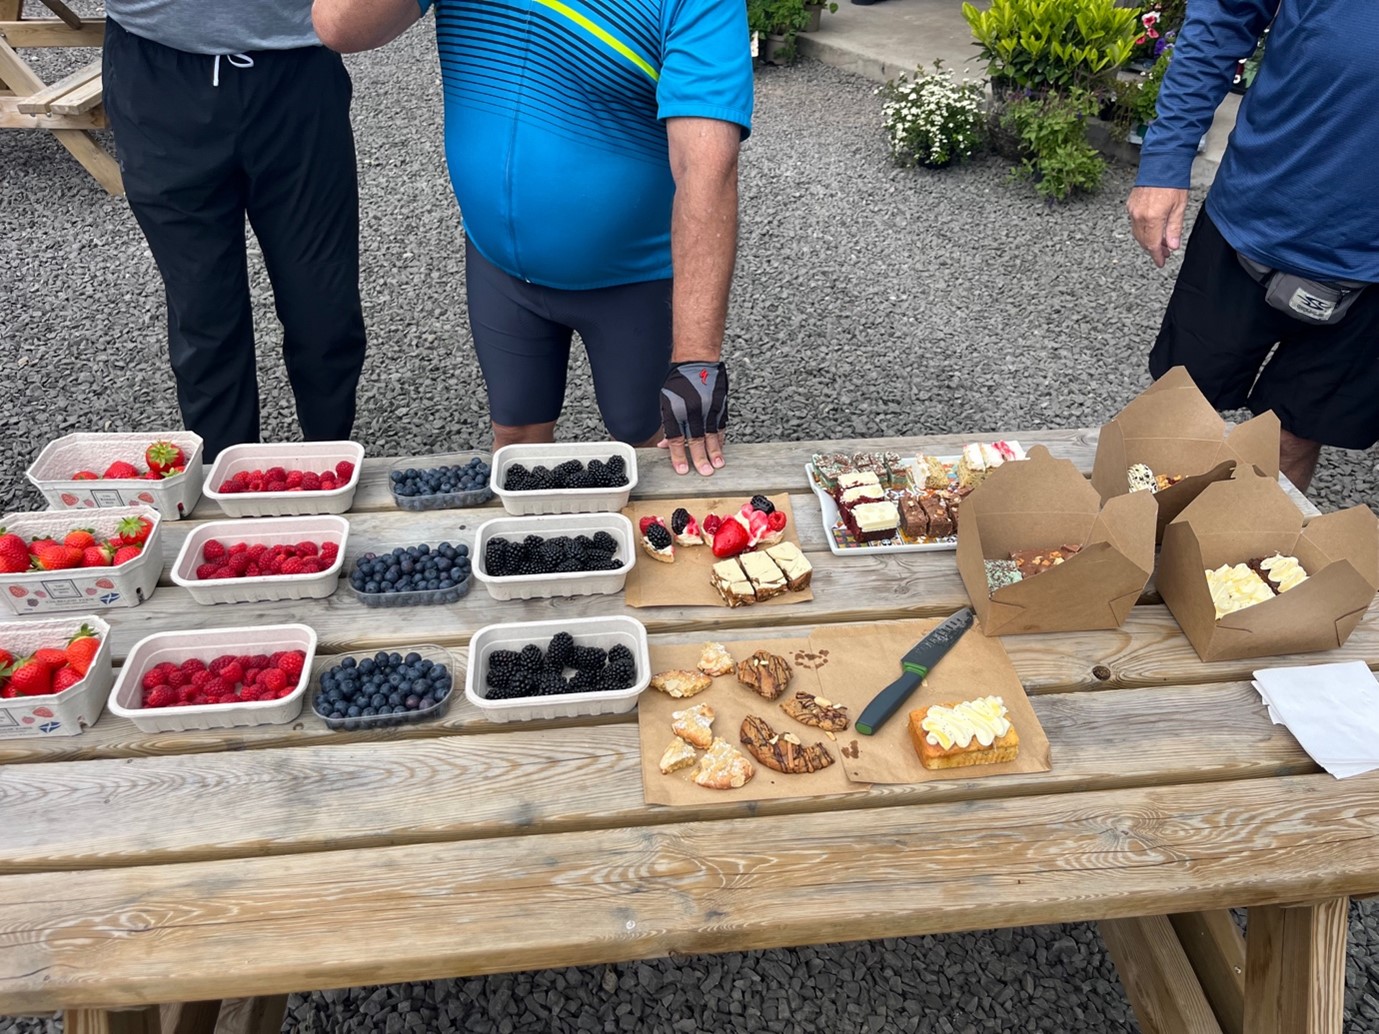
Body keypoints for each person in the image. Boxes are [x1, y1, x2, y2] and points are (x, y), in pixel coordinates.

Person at [311, 0, 752, 477]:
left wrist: (696, 358)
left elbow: (706, 167)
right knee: (517, 439)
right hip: (498, 266)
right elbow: (338, 26)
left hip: (635, 280)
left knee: (654, 445)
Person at [1125, 0, 1379, 494]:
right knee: (1179, 414)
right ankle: (1128, 549)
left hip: (1370, 270)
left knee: (1291, 439)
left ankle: (1240, 561)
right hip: (1254, 215)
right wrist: (1166, 157)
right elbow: (1222, 15)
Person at [102, 1, 367, 461]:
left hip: (298, 66)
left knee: (323, 305)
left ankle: (330, 467)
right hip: (157, 64)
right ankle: (226, 484)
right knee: (204, 312)